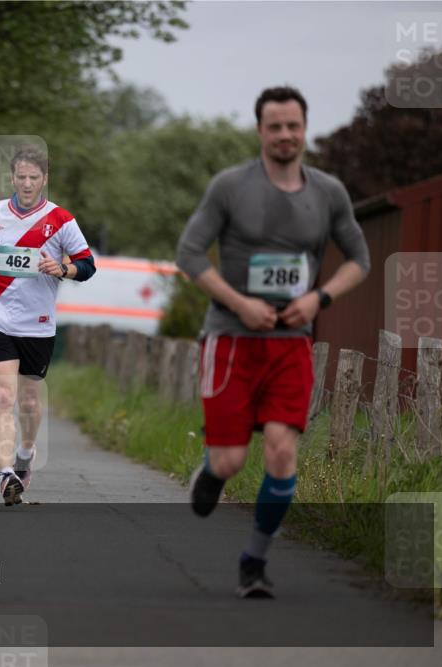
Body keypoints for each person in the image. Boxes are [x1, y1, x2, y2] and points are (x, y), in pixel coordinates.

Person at [175, 86, 370, 598]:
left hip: (291, 343)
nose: (285, 135)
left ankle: (253, 561)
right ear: (260, 131)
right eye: (275, 126)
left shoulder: (328, 193)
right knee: (232, 461)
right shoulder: (230, 187)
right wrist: (239, 303)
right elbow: (190, 254)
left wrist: (318, 299)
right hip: (232, 341)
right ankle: (212, 471)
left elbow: (359, 260)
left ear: (305, 129)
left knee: (283, 452)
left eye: (293, 126)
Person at [0, 146, 96, 506]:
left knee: (30, 403)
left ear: (45, 179)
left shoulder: (61, 220)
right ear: (12, 177)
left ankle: (26, 452)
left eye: (35, 177)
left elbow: (87, 264)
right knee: (3, 397)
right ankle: (6, 476)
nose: (28, 183)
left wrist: (62, 269)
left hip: (39, 324)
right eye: (21, 177)